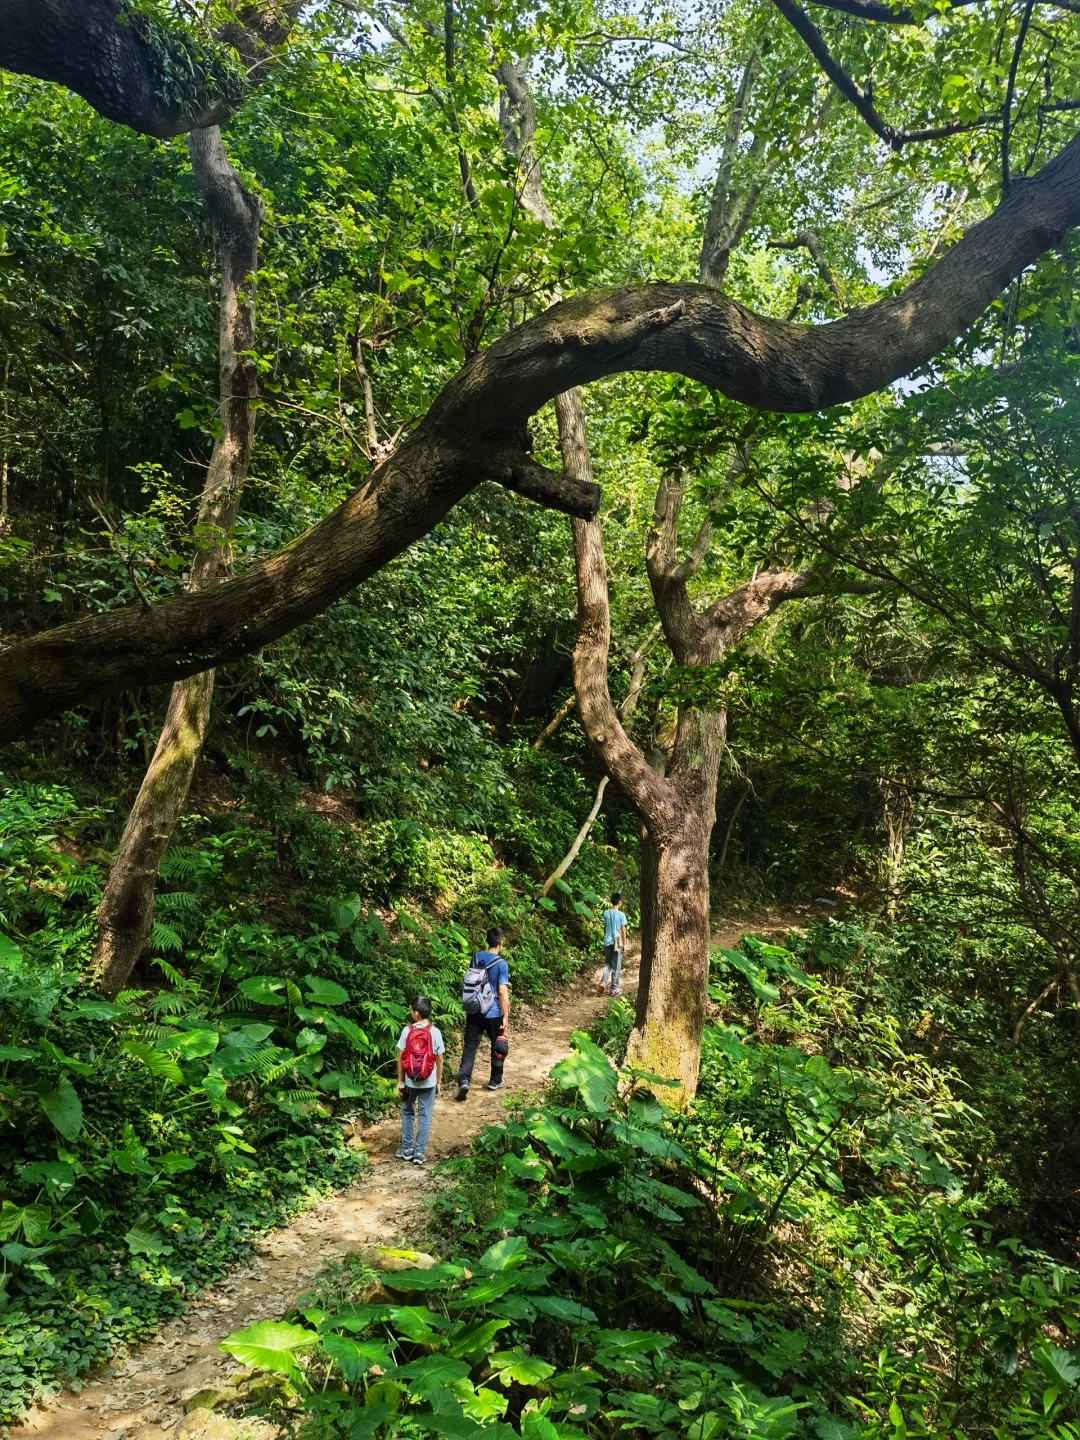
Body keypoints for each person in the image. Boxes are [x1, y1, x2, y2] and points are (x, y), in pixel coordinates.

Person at [455, 926, 510, 1100]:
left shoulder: (476, 957)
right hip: (493, 1012)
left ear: (488, 940)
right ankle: (495, 1080)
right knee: (497, 1045)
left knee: (470, 1046)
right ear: (500, 943)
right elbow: (502, 992)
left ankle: (464, 1080)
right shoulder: (501, 964)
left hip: (475, 1010)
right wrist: (506, 1016)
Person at [396, 995, 444, 1167]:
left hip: (410, 1081)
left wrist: (400, 1081)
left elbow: (400, 1057)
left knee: (408, 1112)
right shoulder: (435, 1032)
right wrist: (438, 1082)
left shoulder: (407, 1031)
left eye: (412, 1010)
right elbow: (439, 1060)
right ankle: (419, 1154)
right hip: (429, 1082)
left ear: (416, 1013)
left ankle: (407, 1150)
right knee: (425, 1116)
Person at [600, 894, 628, 996]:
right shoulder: (621, 915)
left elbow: (605, 927)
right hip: (617, 943)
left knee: (607, 963)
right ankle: (613, 988)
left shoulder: (606, 913)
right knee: (616, 966)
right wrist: (624, 944)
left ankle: (603, 981)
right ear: (619, 902)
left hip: (607, 941)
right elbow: (623, 930)